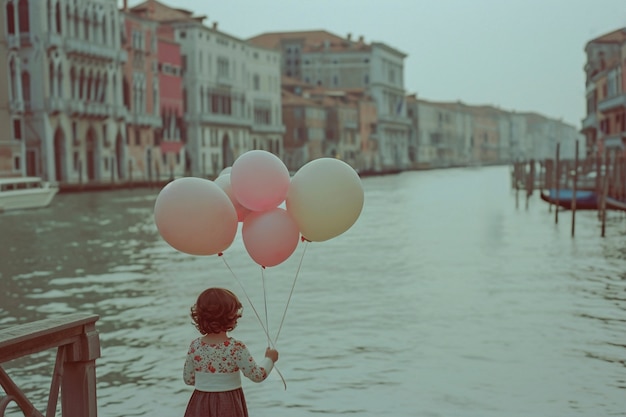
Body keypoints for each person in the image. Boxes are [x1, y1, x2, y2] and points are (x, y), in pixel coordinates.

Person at [183, 287, 279, 417]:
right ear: (232, 316)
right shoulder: (235, 348)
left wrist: (209, 382)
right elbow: (257, 375)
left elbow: (188, 379)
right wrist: (269, 359)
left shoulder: (195, 346)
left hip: (201, 403)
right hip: (228, 403)